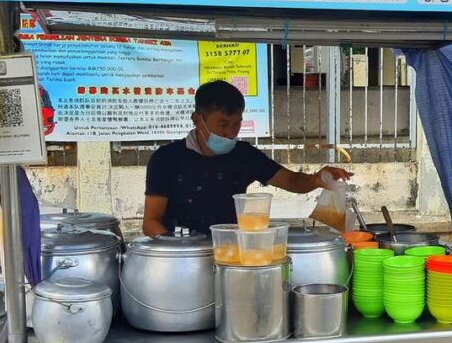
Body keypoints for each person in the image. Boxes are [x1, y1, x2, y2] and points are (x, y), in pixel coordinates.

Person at [142, 80, 351, 235]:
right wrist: (182, 254)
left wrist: (316, 179)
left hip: (231, 253)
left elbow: (290, 181)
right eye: (223, 124)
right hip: (181, 256)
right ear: (197, 119)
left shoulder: (244, 155)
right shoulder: (166, 159)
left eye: (236, 124)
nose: (230, 132)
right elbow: (151, 222)